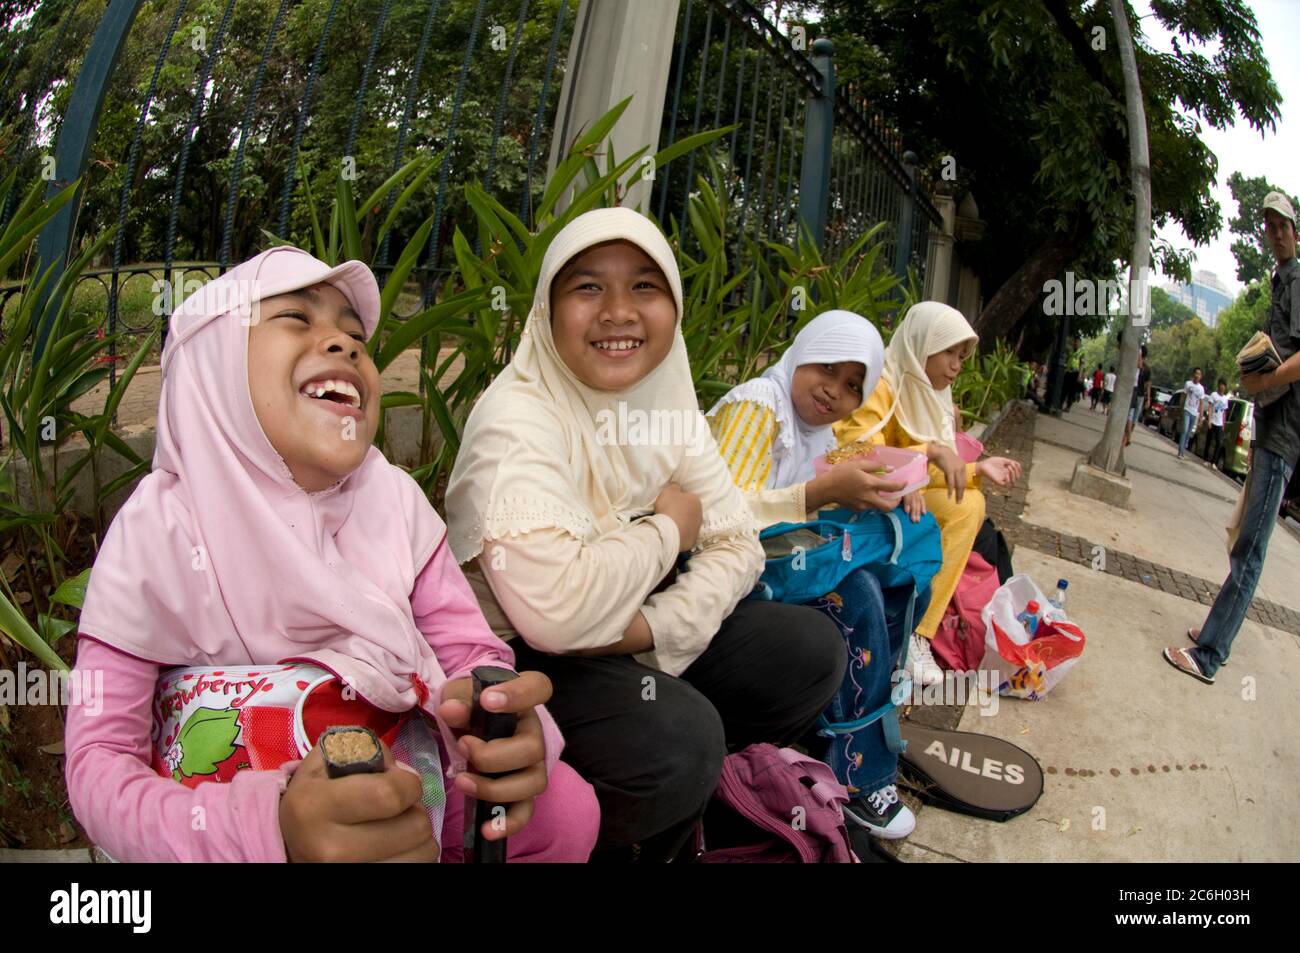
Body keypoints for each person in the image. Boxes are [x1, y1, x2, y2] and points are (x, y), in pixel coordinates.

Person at [63, 248, 598, 862]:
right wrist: (264, 832)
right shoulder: (155, 532)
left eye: (353, 334)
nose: (344, 345)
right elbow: (99, 763)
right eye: (296, 317)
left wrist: (494, 721)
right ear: (214, 365)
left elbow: (466, 652)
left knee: (564, 812)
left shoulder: (391, 499)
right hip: (224, 832)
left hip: (412, 791)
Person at [446, 208, 845, 861]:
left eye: (643, 287)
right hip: (522, 656)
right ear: (548, 309)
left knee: (806, 649)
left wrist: (654, 627)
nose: (617, 312)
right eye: (587, 287)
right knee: (677, 739)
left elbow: (739, 541)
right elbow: (557, 614)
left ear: (673, 306)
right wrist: (668, 530)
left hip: (628, 632)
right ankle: (592, 835)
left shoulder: (669, 405)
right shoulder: (517, 420)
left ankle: (679, 813)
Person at [705, 310, 920, 840]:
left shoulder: (816, 436)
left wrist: (893, 482)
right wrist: (822, 494)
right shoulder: (760, 407)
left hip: (765, 570)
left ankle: (864, 731)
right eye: (827, 367)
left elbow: (814, 510)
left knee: (892, 575)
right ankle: (857, 774)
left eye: (853, 385)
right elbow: (717, 523)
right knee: (857, 592)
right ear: (802, 352)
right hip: (713, 580)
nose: (833, 392)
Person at [834, 302, 1022, 687]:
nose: (956, 365)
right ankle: (909, 632)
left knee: (969, 503)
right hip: (853, 499)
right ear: (922, 345)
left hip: (900, 497)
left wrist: (975, 470)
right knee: (965, 507)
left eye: (962, 356)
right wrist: (912, 469)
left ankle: (919, 633)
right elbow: (853, 452)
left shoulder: (931, 395)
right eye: (949, 352)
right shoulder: (883, 384)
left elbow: (936, 472)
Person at [1165, 191, 1300, 683]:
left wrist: (1264, 380)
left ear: (1296, 231)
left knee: (1251, 550)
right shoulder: (1281, 280)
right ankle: (1211, 637)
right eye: (1269, 224)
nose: (1276, 232)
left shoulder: (1298, 279)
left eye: (1283, 224)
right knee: (1244, 540)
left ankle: (1210, 656)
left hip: (1284, 435)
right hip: (1271, 429)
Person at [1125, 344, 1152, 447]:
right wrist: (1148, 399)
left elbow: (1148, 384)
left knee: (1131, 416)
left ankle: (1128, 436)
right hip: (1140, 394)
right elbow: (1148, 385)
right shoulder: (1146, 368)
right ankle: (1128, 435)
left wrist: (1148, 399)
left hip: (1135, 392)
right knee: (1134, 417)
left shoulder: (1138, 365)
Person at [1177, 367, 1206, 459]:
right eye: (1196, 373)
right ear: (1193, 374)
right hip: (1186, 410)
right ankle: (1180, 451)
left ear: (1201, 377)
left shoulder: (1201, 389)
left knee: (1189, 433)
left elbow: (1201, 403)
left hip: (1194, 413)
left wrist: (1201, 416)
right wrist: (1181, 408)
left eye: (1199, 374)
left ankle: (1183, 448)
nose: (1197, 375)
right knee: (1184, 430)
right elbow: (1183, 396)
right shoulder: (1188, 384)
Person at [1204, 379, 1230, 467]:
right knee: (1209, 440)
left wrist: (1224, 424)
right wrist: (1209, 420)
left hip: (1219, 423)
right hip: (1213, 421)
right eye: (1221, 385)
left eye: (1224, 385)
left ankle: (1214, 462)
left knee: (1219, 442)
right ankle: (1206, 459)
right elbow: (1210, 408)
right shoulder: (1213, 395)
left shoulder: (1225, 398)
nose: (1222, 387)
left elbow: (1224, 413)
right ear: (1218, 385)